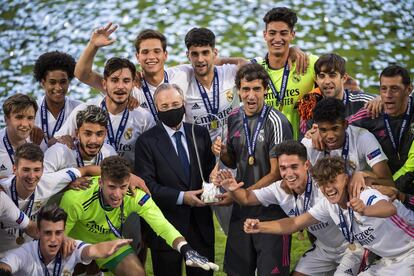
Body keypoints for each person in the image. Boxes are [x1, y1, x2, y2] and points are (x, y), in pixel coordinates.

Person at [244, 156, 414, 275]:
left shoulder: (363, 194)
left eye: (333, 181)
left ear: (346, 179)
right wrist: (260, 227)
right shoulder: (328, 204)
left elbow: (388, 209)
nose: (329, 188)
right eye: (323, 183)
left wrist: (365, 210)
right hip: (388, 259)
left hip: (410, 252)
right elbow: (295, 223)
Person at [216, 140, 363, 276]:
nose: (289, 174)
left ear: (306, 165)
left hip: (351, 246)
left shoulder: (323, 184)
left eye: (294, 167)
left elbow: (294, 224)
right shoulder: (278, 189)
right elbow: (246, 198)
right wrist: (232, 188)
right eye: (283, 168)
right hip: (324, 249)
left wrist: (359, 174)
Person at [60, 155, 218, 275]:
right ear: (100, 182)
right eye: (112, 187)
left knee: (136, 273)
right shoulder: (76, 198)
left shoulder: (135, 195)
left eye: (123, 186)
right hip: (74, 244)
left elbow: (162, 225)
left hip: (110, 242)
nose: (117, 194)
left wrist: (186, 249)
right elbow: (59, 236)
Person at [212, 63, 292, 275]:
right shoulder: (234, 117)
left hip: (273, 211)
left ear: (265, 89)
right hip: (242, 210)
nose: (251, 95)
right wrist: (221, 152)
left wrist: (244, 195)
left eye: (256, 89)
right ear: (238, 90)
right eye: (246, 89)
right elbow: (234, 160)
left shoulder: (277, 122)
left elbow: (278, 173)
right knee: (237, 271)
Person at [134, 83, 216, 276]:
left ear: (183, 103)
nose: (171, 109)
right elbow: (147, 186)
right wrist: (182, 197)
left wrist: (214, 186)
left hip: (200, 226)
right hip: (165, 227)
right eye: (164, 106)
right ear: (156, 109)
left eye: (175, 104)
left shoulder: (200, 133)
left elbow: (209, 173)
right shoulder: (146, 142)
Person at [74, 23, 188, 122]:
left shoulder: (182, 73)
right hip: (147, 146)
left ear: (165, 55)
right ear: (137, 57)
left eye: (157, 51)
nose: (151, 57)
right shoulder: (126, 86)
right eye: (145, 52)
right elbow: (82, 75)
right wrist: (93, 45)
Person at [55, 57, 155, 167]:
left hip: (128, 180)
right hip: (88, 181)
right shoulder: (84, 110)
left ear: (132, 85)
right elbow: (53, 142)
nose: (120, 86)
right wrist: (61, 141)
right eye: (114, 80)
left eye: (126, 81)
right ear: (104, 83)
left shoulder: (145, 118)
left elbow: (153, 157)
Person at [0, 143, 98, 256]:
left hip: (29, 253)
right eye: (26, 170)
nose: (32, 176)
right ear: (15, 169)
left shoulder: (49, 181)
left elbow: (86, 169)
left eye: (37, 170)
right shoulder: (3, 192)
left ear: (43, 170)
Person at [0, 204, 132, 275]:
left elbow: (91, 250)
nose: (53, 239)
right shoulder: (26, 253)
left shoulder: (70, 246)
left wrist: (107, 248)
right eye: (48, 233)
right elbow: (6, 266)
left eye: (58, 233)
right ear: (38, 233)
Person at [253, 7, 318, 140]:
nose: (277, 39)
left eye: (283, 33)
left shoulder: (308, 63)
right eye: (272, 33)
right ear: (264, 34)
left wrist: (373, 99)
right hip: (268, 149)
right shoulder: (255, 69)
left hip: (301, 149)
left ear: (292, 35)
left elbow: (343, 83)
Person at [301, 98, 393, 189]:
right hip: (322, 200)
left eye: (335, 128)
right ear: (317, 127)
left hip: (357, 199)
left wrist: (363, 175)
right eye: (323, 130)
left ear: (345, 124)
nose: (330, 136)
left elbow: (389, 182)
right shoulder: (308, 144)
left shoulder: (363, 138)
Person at [348, 65, 413, 175]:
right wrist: (315, 131)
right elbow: (340, 126)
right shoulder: (371, 112)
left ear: (409, 90)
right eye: (383, 89)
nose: (388, 95)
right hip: (386, 181)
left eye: (394, 89)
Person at [43, 105, 117, 173]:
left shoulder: (109, 153)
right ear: (77, 133)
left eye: (99, 134)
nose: (93, 140)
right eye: (88, 134)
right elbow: (41, 182)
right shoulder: (58, 152)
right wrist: (68, 181)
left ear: (105, 134)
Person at [33, 51, 82, 146]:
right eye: (52, 82)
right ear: (43, 83)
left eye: (63, 82)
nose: (58, 88)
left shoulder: (79, 109)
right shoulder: (31, 111)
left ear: (69, 82)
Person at [0, 94, 38, 178]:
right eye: (19, 117)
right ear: (6, 119)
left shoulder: (39, 139)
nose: (24, 124)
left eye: (30, 118)